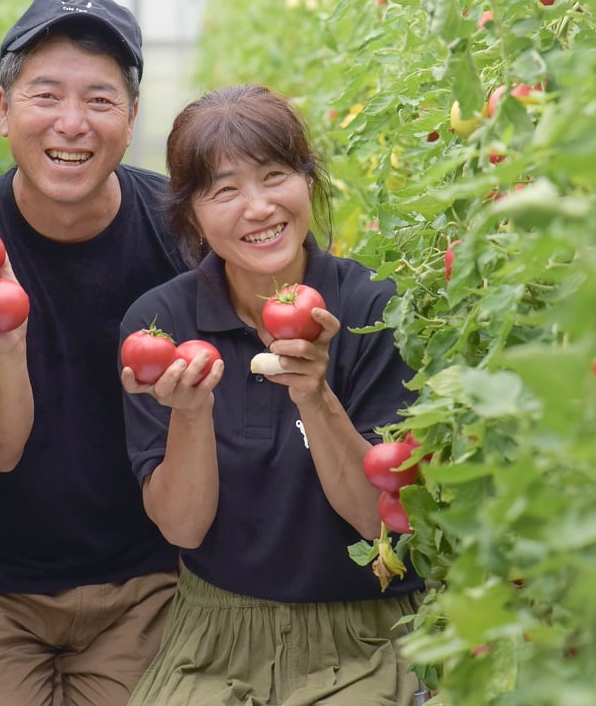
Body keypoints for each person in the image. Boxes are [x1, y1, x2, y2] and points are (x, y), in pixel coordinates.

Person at [0, 0, 187, 706]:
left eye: (99, 100)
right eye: (45, 94)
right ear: (4, 112)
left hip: (143, 582)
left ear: (129, 123)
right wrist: (3, 342)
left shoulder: (183, 237)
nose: (71, 123)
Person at [119, 84, 424, 705]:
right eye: (224, 190)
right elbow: (182, 526)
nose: (257, 207)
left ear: (308, 182)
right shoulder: (160, 323)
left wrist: (315, 395)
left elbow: (379, 518)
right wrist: (191, 415)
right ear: (191, 215)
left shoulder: (372, 310)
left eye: (275, 175)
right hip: (213, 636)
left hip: (364, 635)